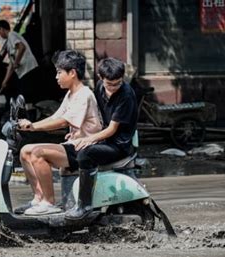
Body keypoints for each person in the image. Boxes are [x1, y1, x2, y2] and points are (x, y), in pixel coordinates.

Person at [15, 50, 102, 216]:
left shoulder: (84, 94)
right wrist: (30, 125)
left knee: (38, 153)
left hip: (84, 149)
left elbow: (64, 121)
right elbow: (57, 116)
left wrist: (33, 127)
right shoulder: (71, 94)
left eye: (59, 72)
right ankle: (38, 198)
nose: (56, 77)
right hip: (74, 145)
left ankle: (49, 202)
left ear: (72, 73)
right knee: (25, 151)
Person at [65, 57, 138, 220]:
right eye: (109, 84)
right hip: (103, 139)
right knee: (68, 150)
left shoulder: (126, 94)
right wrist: (79, 131)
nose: (113, 88)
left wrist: (89, 139)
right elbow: (94, 114)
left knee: (85, 154)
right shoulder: (99, 87)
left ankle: (84, 206)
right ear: (100, 77)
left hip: (119, 146)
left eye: (118, 83)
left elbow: (112, 129)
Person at [0, 20, 39, 106]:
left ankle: (32, 116)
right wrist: (5, 81)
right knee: (24, 95)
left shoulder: (12, 35)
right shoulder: (9, 42)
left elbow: (22, 47)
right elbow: (11, 64)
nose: (0, 35)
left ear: (2, 29)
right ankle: (28, 114)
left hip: (28, 69)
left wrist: (16, 62)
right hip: (23, 72)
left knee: (27, 96)